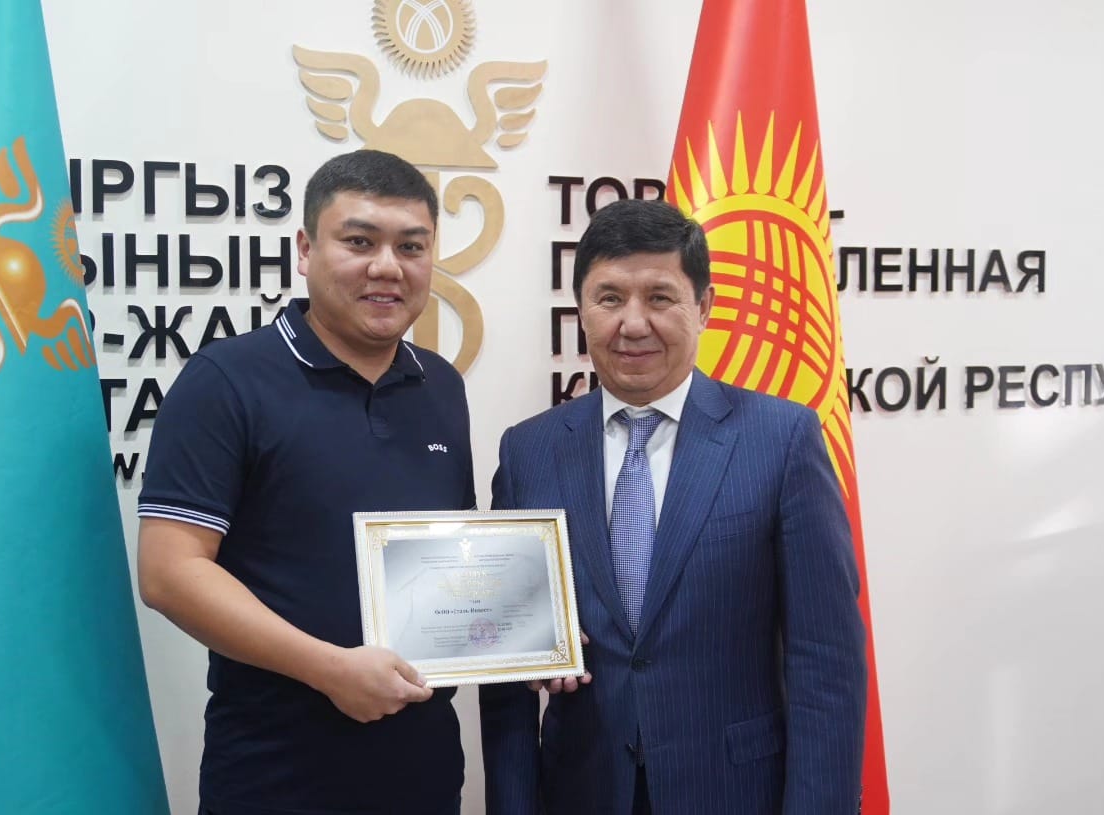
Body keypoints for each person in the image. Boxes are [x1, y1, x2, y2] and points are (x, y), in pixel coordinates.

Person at [479, 199, 866, 814]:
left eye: (660, 298)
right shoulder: (530, 451)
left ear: (704, 306)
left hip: (734, 791)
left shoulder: (782, 439)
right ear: (580, 308)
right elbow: (505, 673)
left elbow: (826, 663)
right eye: (609, 298)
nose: (633, 324)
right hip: (581, 790)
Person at [137, 149, 473, 815]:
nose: (387, 266)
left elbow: (451, 558)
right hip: (276, 776)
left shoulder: (440, 383)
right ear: (305, 249)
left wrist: (537, 636)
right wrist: (330, 669)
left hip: (425, 770)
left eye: (411, 246)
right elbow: (169, 574)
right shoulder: (225, 380)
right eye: (359, 241)